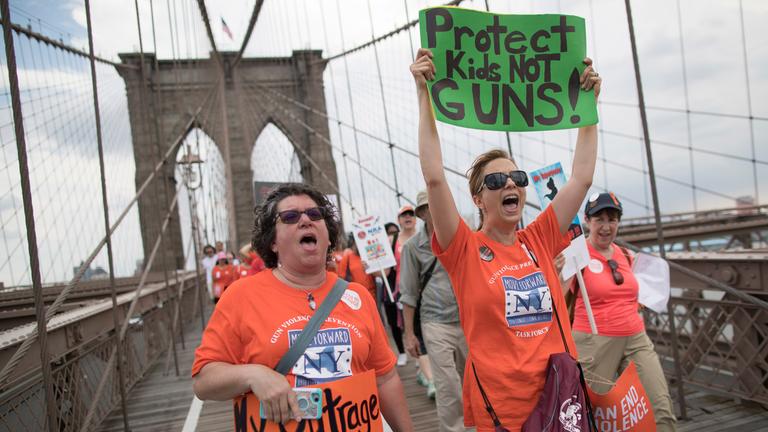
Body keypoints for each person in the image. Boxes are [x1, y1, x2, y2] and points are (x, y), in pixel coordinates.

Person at [411, 48, 601, 430]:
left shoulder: (540, 238)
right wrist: (424, 95)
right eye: (496, 181)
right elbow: (434, 177)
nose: (510, 183)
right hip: (501, 409)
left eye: (517, 178)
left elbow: (581, 178)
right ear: (478, 199)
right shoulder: (463, 248)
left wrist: (588, 108)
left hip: (558, 399)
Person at [192, 183, 413, 430]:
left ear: (328, 236)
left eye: (315, 214)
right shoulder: (241, 296)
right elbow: (203, 380)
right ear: (272, 241)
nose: (306, 220)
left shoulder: (357, 296)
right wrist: (253, 375)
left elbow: (385, 378)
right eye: (290, 217)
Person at [570, 192, 676, 431]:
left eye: (612, 219)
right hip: (593, 341)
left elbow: (635, 293)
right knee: (587, 415)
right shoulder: (577, 256)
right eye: (599, 219)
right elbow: (556, 293)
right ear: (587, 220)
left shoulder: (626, 255)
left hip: (635, 337)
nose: (606, 226)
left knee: (659, 407)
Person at [400, 190, 469, 431]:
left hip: (467, 320)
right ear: (422, 213)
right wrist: (409, 334)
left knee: (472, 381)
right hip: (435, 322)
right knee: (447, 384)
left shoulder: (462, 237)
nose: (437, 209)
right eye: (430, 207)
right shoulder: (412, 247)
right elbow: (408, 293)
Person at [383, 222, 407, 367]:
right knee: (394, 324)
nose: (392, 235)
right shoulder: (384, 250)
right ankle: (402, 352)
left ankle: (419, 355)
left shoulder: (403, 246)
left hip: (405, 288)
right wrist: (370, 266)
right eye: (389, 233)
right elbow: (383, 272)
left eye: (395, 232)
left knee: (410, 322)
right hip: (390, 289)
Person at [337, 233, 377, 300]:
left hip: (371, 295)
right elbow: (341, 278)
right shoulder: (348, 256)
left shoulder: (370, 254)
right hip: (355, 296)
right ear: (353, 242)